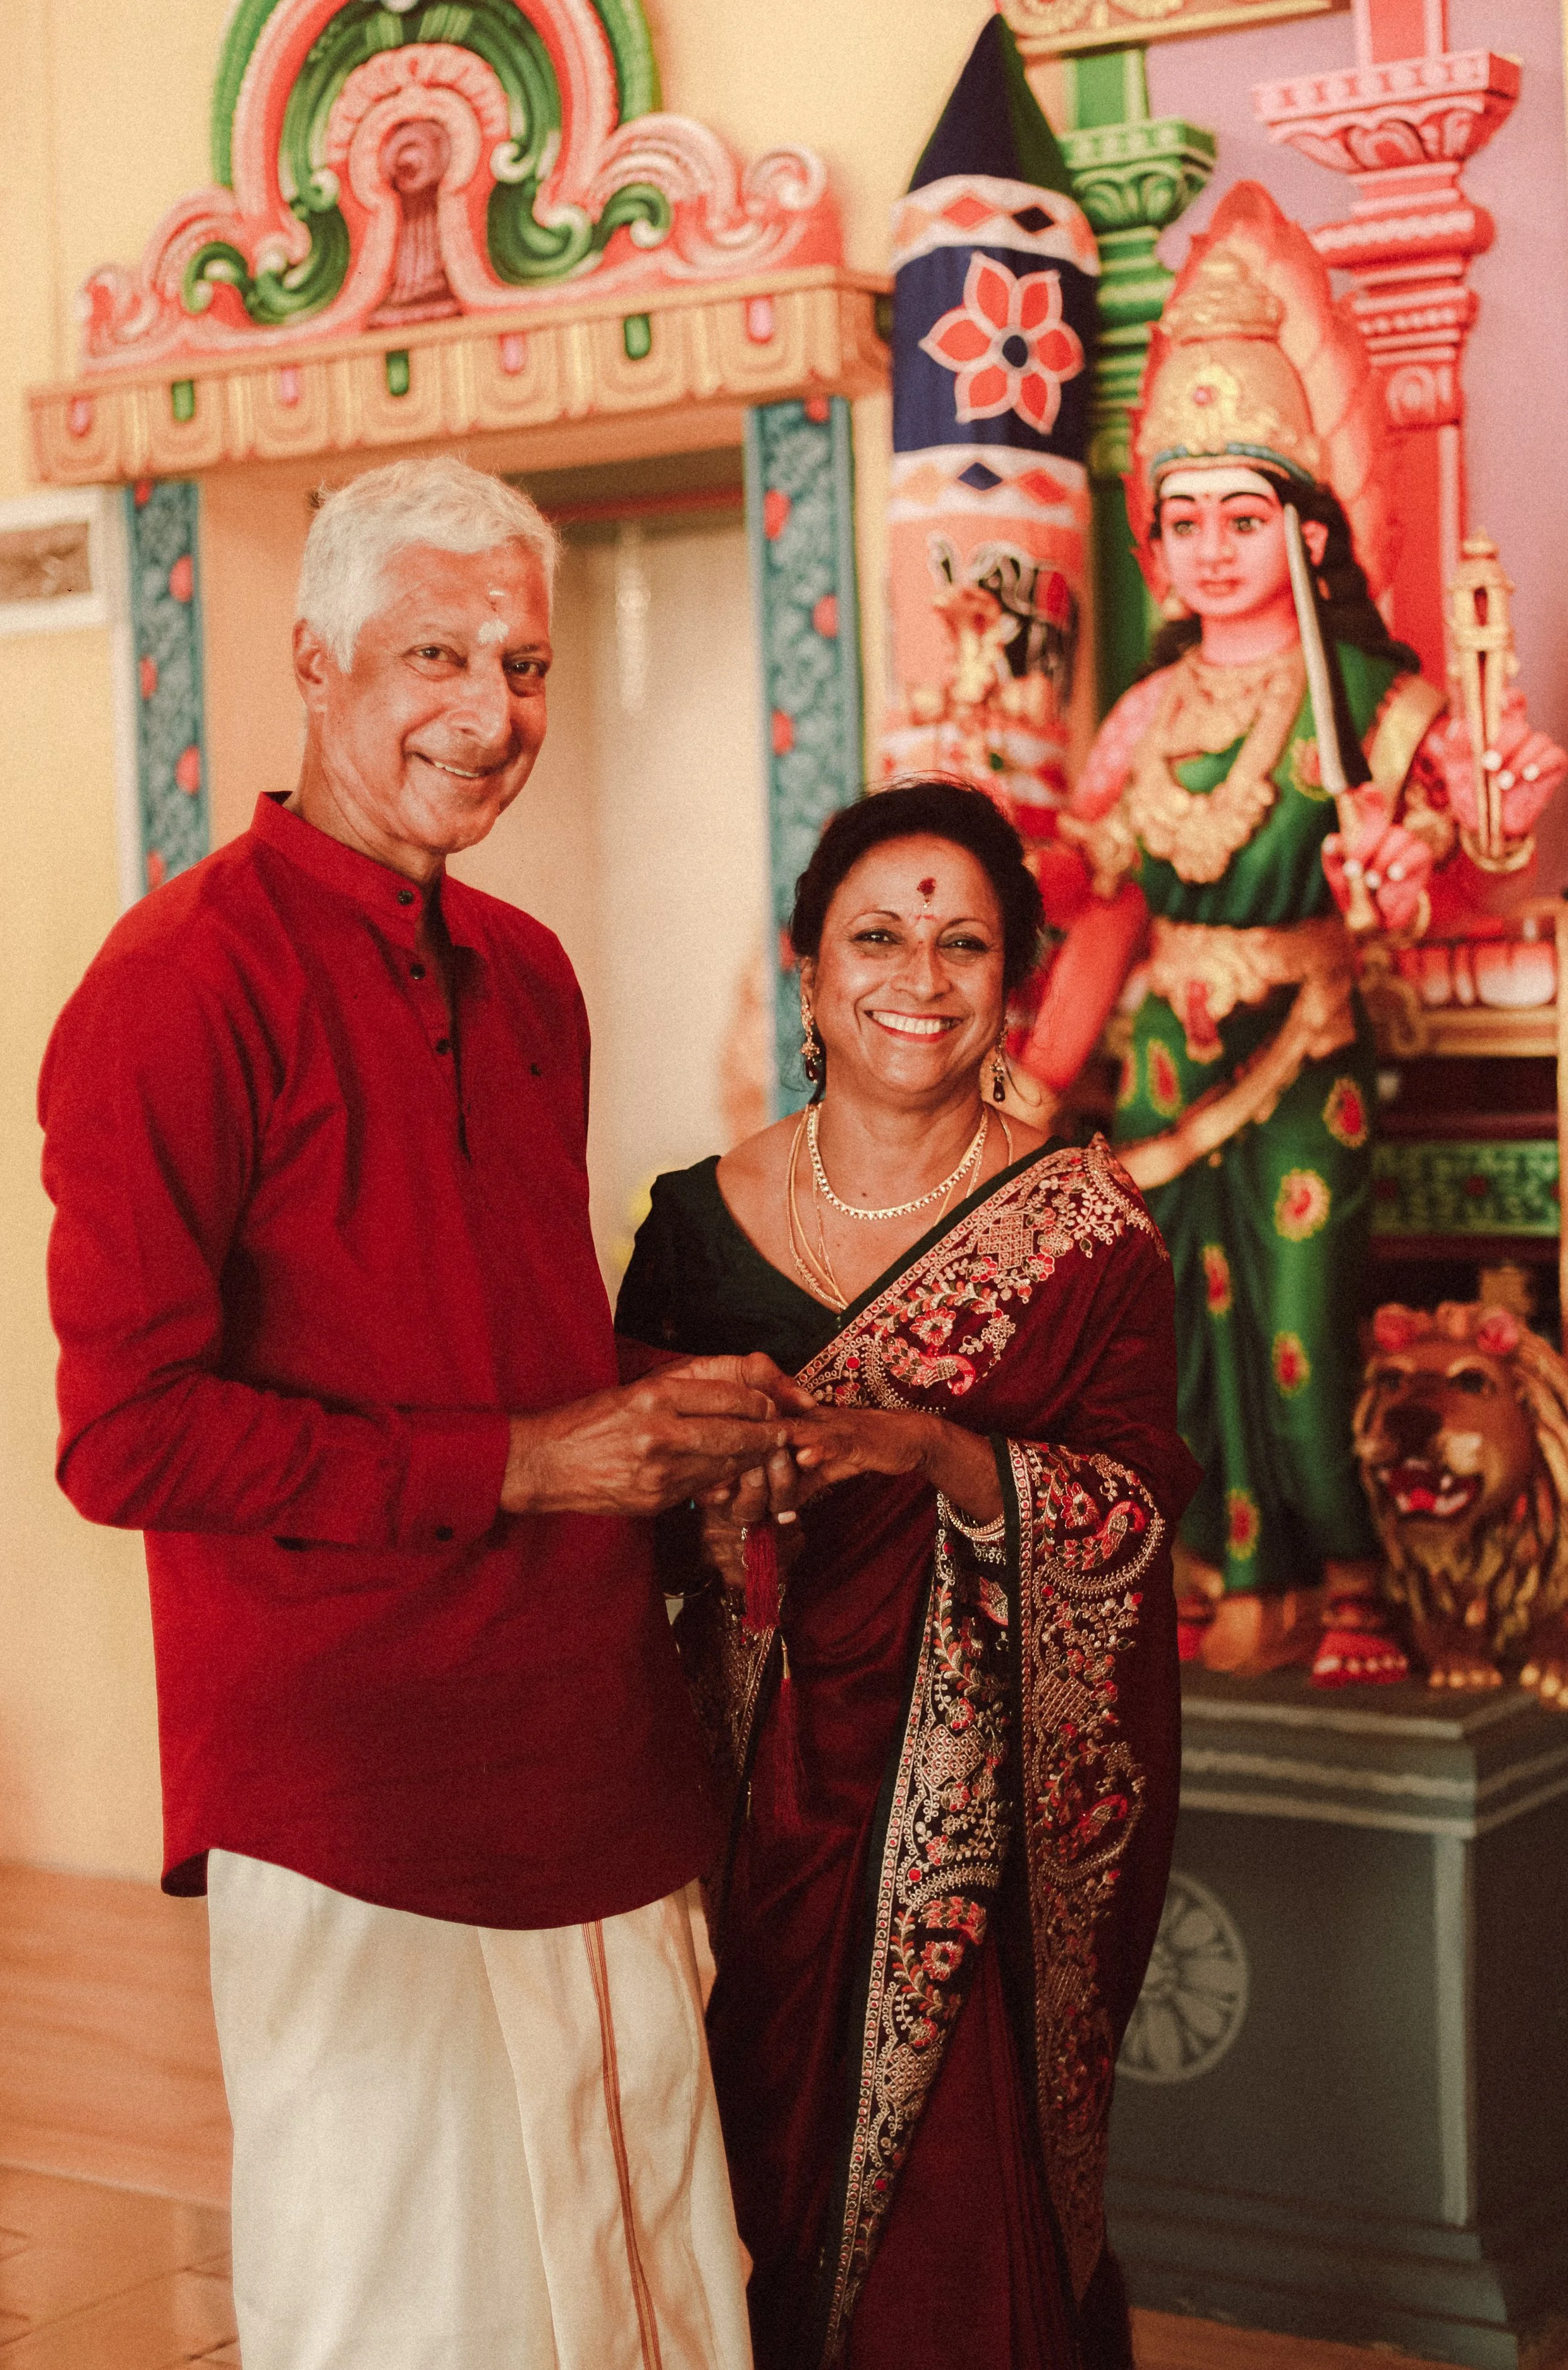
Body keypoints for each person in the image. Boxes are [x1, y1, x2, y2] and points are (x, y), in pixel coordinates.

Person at [38, 455, 806, 2370]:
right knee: (411, 2306)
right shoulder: (176, 983)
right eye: (435, 656)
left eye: (524, 664)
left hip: (589, 1742)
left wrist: (668, 1421)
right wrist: (531, 1461)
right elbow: (125, 1434)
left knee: (652, 2284)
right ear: (315, 663)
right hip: (353, 1783)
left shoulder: (527, 976)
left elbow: (480, 1334)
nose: (490, 709)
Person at [616, 779, 1199, 2370]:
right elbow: (620, 1512)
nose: (917, 979)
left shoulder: (1084, 1235)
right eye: (875, 938)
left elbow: (1133, 1518)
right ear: (805, 967)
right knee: (715, 2198)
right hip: (730, 1811)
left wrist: (934, 1451)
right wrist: (711, 1498)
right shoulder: (692, 1225)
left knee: (948, 2247)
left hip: (971, 1830)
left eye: (962, 945)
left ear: (1013, 983)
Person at [1014, 182, 1565, 1683]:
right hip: (1158, 1068)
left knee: (1303, 1327)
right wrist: (1022, 1072)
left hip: (1302, 1050)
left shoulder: (1376, 704)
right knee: (1170, 1341)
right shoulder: (1142, 713)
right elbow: (1102, 904)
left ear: (1309, 530)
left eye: (1240, 517)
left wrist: (1457, 833)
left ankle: (1346, 1586)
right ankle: (1215, 1574)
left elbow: (1458, 861)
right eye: (1181, 521)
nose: (1207, 549)